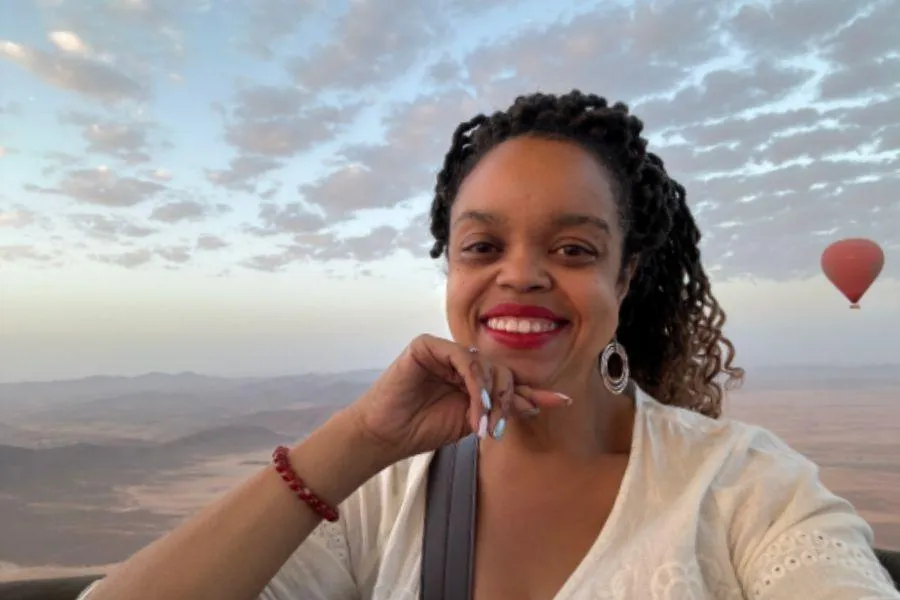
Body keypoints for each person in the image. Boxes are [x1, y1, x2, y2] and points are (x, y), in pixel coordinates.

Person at [80, 90, 900, 600]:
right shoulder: (387, 496)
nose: (523, 276)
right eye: (482, 247)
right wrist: (358, 440)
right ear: (450, 271)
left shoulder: (749, 492)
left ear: (626, 277)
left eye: (574, 250)